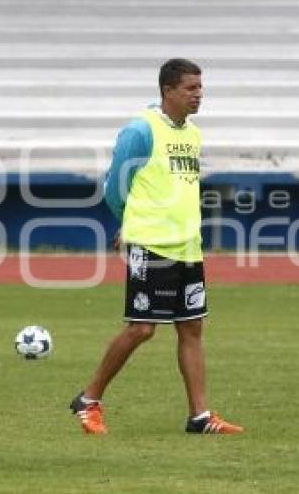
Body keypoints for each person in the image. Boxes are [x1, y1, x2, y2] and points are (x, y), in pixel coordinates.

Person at [69, 58, 244, 435]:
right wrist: (128, 223)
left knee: (192, 327)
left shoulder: (192, 134)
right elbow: (114, 187)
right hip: (151, 243)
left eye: (201, 88)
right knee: (142, 328)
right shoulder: (140, 131)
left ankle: (200, 416)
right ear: (168, 91)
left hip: (187, 246)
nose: (199, 95)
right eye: (191, 88)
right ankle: (88, 399)